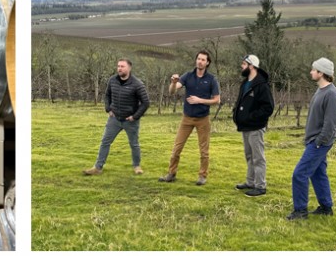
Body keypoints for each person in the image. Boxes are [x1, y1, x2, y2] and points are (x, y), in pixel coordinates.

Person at [287, 58, 336, 220]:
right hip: (314, 140)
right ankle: (326, 207)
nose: (311, 72)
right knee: (318, 174)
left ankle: (300, 211)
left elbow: (331, 124)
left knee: (299, 174)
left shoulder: (331, 94)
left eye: (313, 70)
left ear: (321, 73)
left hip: (319, 143)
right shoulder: (320, 90)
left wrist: (319, 142)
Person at [159, 51, 221, 186]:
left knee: (204, 150)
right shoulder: (188, 76)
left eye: (203, 60)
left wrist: (200, 100)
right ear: (196, 60)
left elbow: (217, 100)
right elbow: (172, 91)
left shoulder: (211, 79)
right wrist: (173, 83)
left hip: (203, 119)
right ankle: (171, 173)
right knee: (177, 147)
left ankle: (202, 176)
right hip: (187, 118)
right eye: (198, 59)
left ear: (207, 63)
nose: (200, 61)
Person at [84, 59, 151, 176]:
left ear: (129, 68)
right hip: (114, 119)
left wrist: (135, 117)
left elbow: (145, 103)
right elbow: (107, 95)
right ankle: (97, 167)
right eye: (118, 66)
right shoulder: (112, 80)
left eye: (122, 66)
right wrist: (108, 109)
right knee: (105, 142)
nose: (119, 68)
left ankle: (137, 166)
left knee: (134, 144)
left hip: (130, 120)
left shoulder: (137, 84)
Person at [232, 54, 275, 197]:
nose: (241, 66)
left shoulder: (261, 85)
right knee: (249, 156)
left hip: (255, 127)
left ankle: (260, 185)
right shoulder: (245, 83)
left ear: (251, 66)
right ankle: (250, 182)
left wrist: (251, 118)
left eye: (244, 64)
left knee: (258, 157)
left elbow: (268, 107)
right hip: (245, 127)